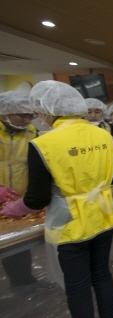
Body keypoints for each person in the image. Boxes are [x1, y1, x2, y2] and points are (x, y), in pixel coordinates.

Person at [0, 81, 113, 318]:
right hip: (104, 216)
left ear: (46, 110)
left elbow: (38, 198)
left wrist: (13, 209)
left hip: (71, 226)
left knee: (78, 288)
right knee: (102, 276)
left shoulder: (43, 143)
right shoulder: (103, 134)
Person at [0, 91, 45, 291]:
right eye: (22, 115)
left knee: (16, 246)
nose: (27, 120)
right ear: (4, 112)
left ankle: (23, 281)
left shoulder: (32, 132)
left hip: (15, 199)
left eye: (30, 115)